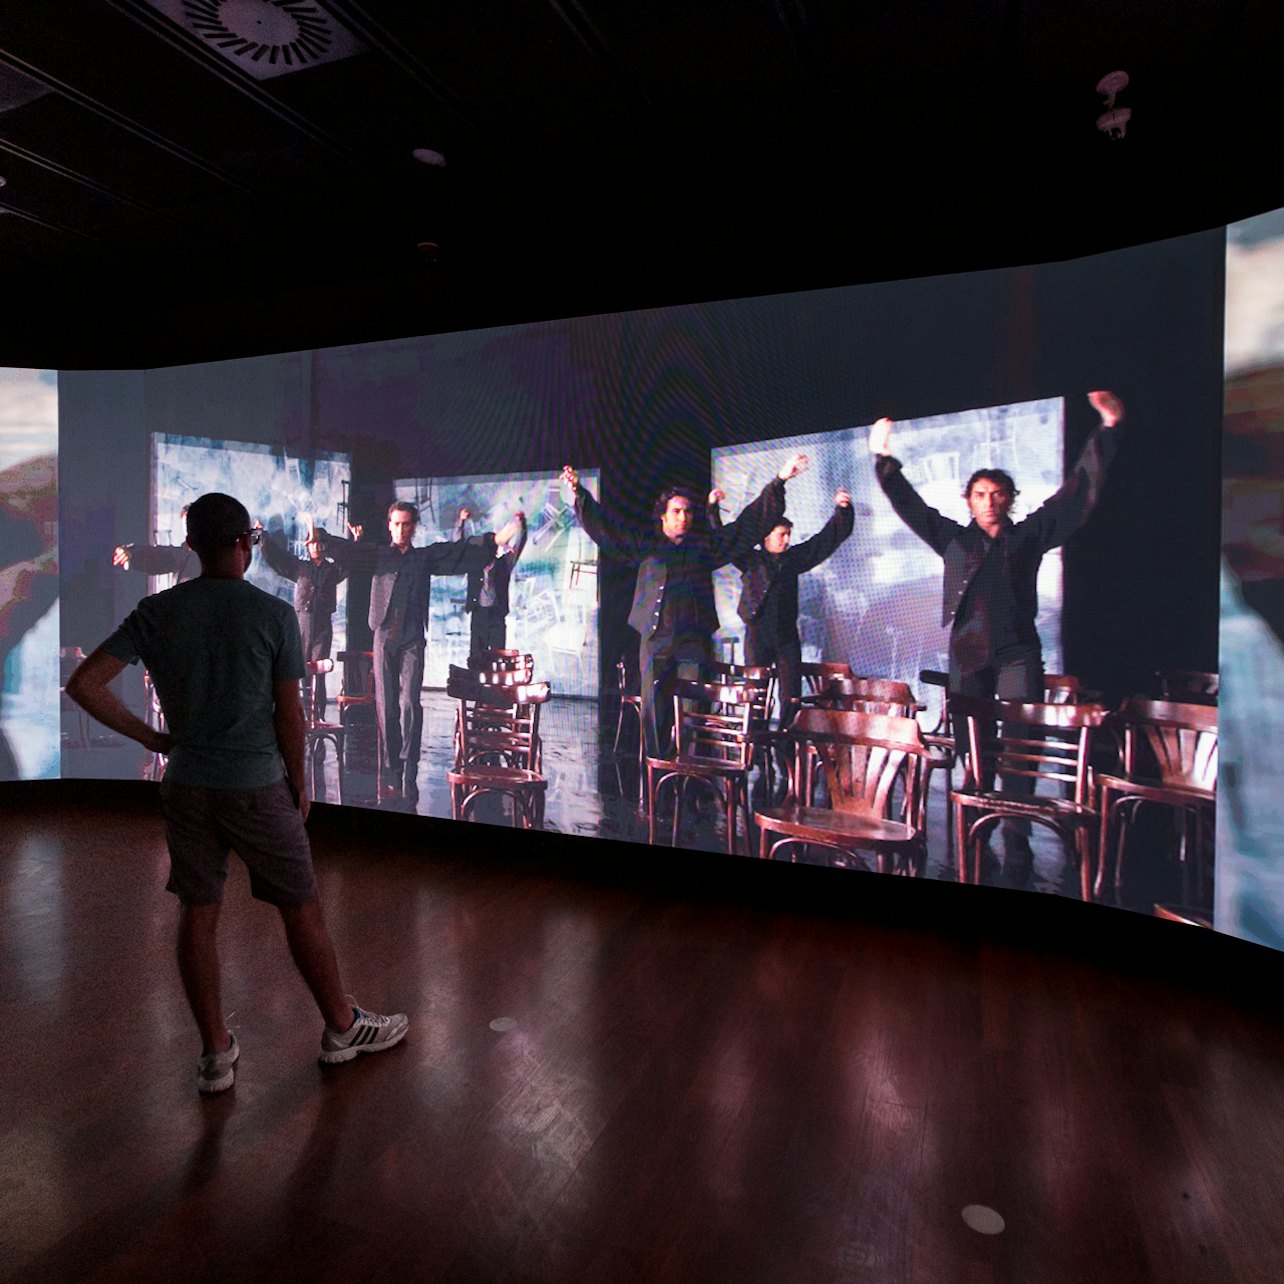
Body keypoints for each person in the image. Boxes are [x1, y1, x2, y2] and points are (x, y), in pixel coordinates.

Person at [65, 492, 407, 1094]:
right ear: (247, 542)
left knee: (198, 915)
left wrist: (153, 738)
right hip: (256, 789)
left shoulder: (158, 612)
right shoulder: (272, 615)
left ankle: (216, 1053)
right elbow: (289, 716)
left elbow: (85, 684)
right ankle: (341, 1027)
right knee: (302, 909)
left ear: (192, 546)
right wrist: (299, 785)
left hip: (188, 788)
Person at [869, 390, 1125, 876]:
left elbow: (1076, 494)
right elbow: (910, 505)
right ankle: (979, 825)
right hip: (968, 655)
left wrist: (1107, 430)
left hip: (1017, 653)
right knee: (975, 747)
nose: (988, 502)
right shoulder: (954, 539)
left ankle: (1017, 834)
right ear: (968, 500)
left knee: (1022, 742)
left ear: (1010, 499)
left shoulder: (1028, 535)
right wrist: (883, 458)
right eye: (980, 494)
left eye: (997, 494)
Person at [562, 453, 810, 758]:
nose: (684, 517)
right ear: (663, 516)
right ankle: (655, 768)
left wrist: (780, 481)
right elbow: (606, 529)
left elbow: (747, 526)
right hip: (656, 639)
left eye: (688, 512)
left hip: (693, 640)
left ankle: (689, 769)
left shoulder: (703, 548)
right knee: (655, 708)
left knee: (694, 708)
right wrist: (579, 494)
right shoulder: (646, 546)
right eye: (677, 511)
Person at [316, 502, 513, 799]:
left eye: (406, 524)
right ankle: (391, 765)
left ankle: (409, 765)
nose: (400, 530)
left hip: (411, 640)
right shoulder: (379, 555)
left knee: (409, 703)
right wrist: (321, 537)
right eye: (395, 524)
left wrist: (491, 541)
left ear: (414, 526)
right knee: (387, 705)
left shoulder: (424, 557)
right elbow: (350, 552)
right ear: (389, 525)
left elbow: (456, 552)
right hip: (383, 636)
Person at [709, 487, 855, 727]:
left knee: (791, 695)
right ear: (766, 536)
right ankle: (755, 747)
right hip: (758, 634)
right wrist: (713, 508)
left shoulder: (793, 558)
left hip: (786, 636)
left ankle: (787, 742)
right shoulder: (750, 559)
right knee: (756, 692)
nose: (787, 540)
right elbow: (725, 540)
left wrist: (843, 510)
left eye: (788, 534)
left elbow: (824, 541)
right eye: (781, 535)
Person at [257, 518, 349, 721]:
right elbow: (277, 558)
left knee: (319, 672)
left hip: (322, 626)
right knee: (303, 672)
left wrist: (351, 541)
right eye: (312, 543)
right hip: (302, 625)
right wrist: (262, 536)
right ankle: (304, 716)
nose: (315, 547)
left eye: (318, 543)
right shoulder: (300, 568)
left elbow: (348, 561)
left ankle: (319, 716)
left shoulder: (332, 570)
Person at [452, 506, 528, 665]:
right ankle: (475, 687)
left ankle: (495, 687)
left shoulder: (504, 563)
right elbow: (459, 547)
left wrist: (522, 526)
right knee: (476, 657)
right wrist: (461, 522)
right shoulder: (473, 562)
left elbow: (519, 545)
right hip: (479, 613)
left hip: (496, 613)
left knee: (498, 657)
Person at [112, 506, 198, 582]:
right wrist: (132, 554)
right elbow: (159, 557)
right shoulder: (181, 556)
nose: (188, 530)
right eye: (185, 526)